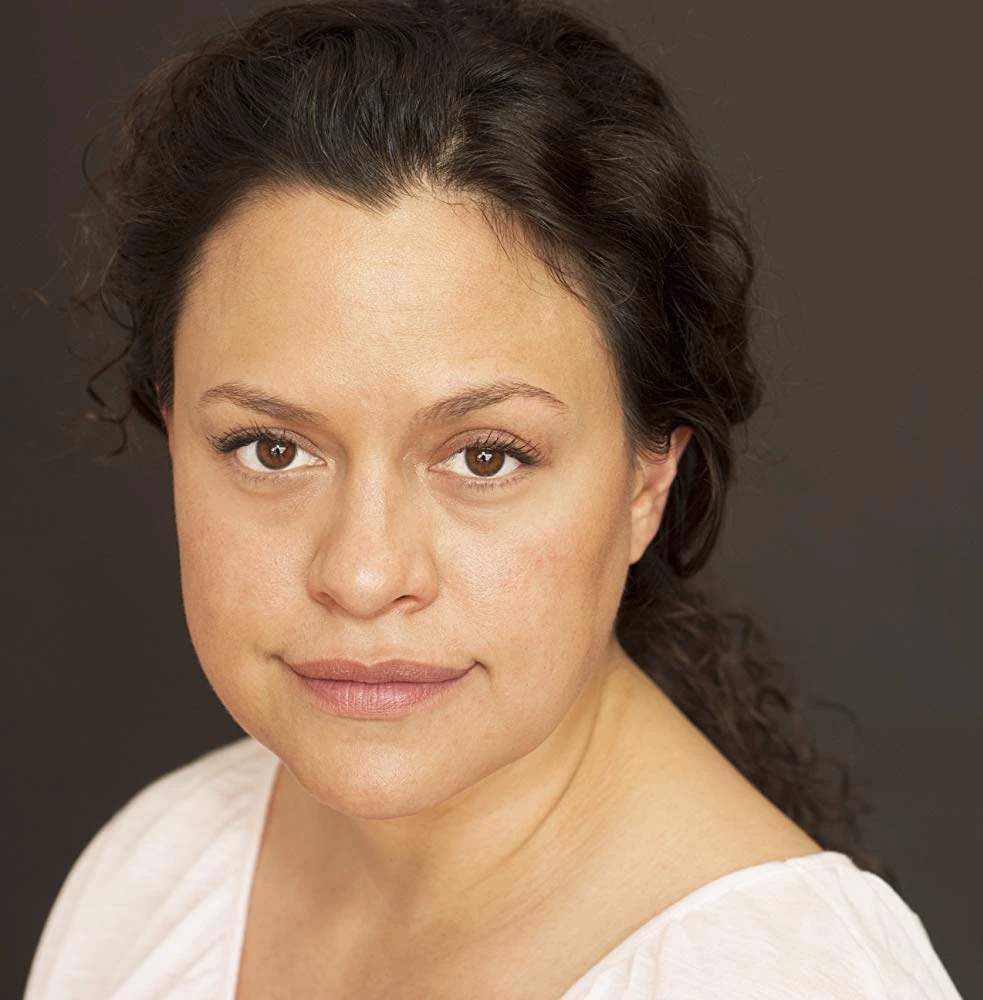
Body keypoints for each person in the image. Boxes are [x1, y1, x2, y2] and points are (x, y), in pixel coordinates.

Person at [24, 1, 964, 997]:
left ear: (647, 480)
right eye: (272, 448)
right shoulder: (161, 870)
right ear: (174, 430)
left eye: (484, 457)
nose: (363, 574)